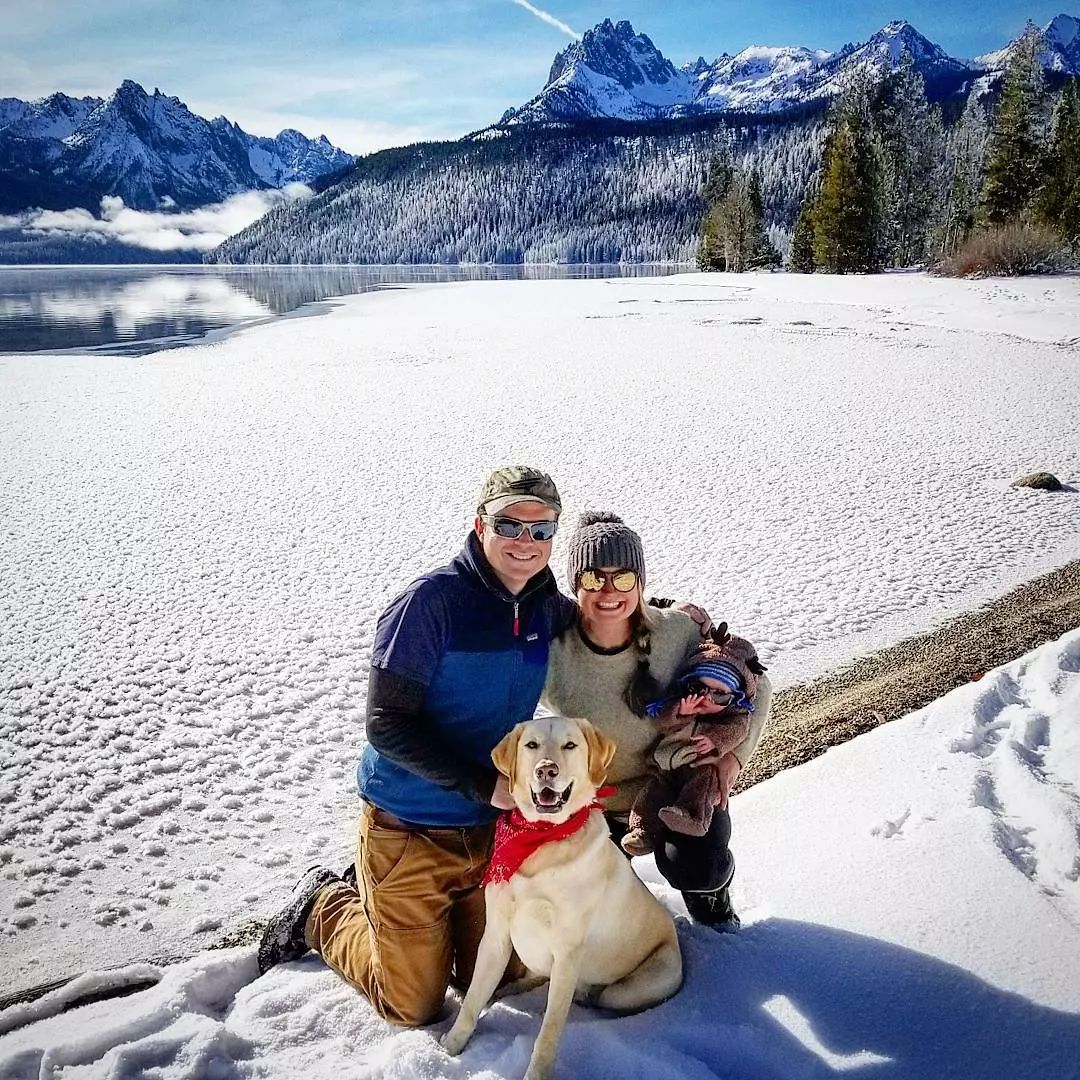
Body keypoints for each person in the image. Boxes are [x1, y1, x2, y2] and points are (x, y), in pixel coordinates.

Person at [257, 466, 574, 1026]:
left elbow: (610, 629)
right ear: (481, 525)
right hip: (410, 829)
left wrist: (687, 637)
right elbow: (385, 723)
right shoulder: (430, 605)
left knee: (501, 977)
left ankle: (431, 926)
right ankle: (323, 907)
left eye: (541, 529)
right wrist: (484, 785)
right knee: (412, 1006)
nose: (527, 543)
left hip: (490, 831)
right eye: (510, 525)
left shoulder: (544, 605)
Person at [542, 511, 771, 928]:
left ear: (641, 582)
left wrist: (733, 757)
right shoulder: (553, 656)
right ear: (575, 585)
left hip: (682, 786)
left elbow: (756, 681)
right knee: (586, 899)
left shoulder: (677, 632)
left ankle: (712, 896)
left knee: (694, 865)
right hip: (601, 801)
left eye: (624, 578)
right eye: (593, 578)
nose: (609, 591)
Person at [621, 630, 765, 856]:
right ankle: (642, 832)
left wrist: (716, 742)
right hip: (667, 766)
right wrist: (680, 712)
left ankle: (692, 817)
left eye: (719, 695)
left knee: (700, 789)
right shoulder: (679, 703)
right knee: (651, 794)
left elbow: (738, 730)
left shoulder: (734, 714)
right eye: (699, 688)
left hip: (701, 765)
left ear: (735, 696)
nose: (707, 699)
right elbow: (662, 723)